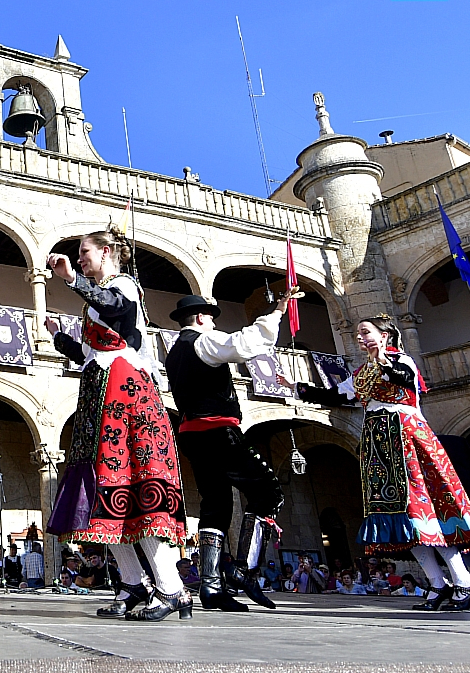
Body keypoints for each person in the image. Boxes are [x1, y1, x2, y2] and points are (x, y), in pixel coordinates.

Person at [44, 231, 190, 622]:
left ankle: (171, 587)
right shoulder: (96, 299)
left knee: (131, 483)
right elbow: (88, 353)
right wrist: (58, 337)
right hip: (99, 396)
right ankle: (132, 582)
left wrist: (72, 280)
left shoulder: (123, 286)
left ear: (106, 252)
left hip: (124, 396)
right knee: (100, 493)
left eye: (84, 252)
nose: (79, 259)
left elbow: (114, 307)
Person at [298, 315, 470, 612]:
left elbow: (402, 378)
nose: (360, 338)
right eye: (358, 334)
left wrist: (382, 360)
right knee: (400, 518)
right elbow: (337, 395)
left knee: (424, 511)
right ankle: (437, 582)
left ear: (384, 335)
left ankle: (463, 579)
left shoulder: (402, 361)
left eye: (365, 332)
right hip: (379, 445)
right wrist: (296, 387)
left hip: (407, 439)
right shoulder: (362, 373)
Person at [163, 289, 300, 613]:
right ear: (200, 318)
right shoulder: (203, 341)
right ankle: (245, 569)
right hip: (218, 432)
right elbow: (244, 344)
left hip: (192, 434)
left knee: (216, 506)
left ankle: (211, 586)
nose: (213, 323)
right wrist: (277, 312)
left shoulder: (174, 352)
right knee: (268, 493)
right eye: (210, 318)